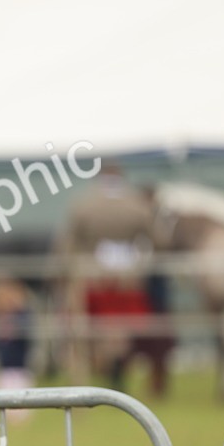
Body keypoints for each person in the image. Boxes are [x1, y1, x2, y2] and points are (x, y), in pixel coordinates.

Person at [55, 162, 170, 394]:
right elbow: (160, 242)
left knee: (91, 328)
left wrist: (66, 272)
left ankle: (102, 373)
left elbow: (67, 245)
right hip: (129, 282)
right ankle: (118, 369)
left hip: (92, 280)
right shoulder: (137, 205)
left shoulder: (83, 205)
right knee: (126, 329)